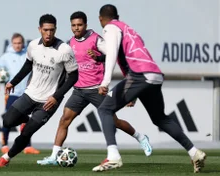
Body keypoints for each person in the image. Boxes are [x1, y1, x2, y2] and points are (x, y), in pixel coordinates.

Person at [92, 4, 206, 173]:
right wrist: (134, 92)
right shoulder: (130, 29)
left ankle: (113, 155)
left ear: (101, 18)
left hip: (140, 75)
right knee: (160, 118)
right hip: (154, 75)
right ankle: (194, 152)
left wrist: (105, 81)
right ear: (118, 15)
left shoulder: (110, 28)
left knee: (105, 109)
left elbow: (112, 55)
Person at [37, 11, 152, 166]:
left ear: (85, 25)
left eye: (79, 25)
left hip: (96, 89)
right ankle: (54, 156)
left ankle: (140, 137)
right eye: (73, 25)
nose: (76, 28)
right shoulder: (70, 43)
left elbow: (114, 54)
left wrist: (98, 57)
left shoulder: (96, 39)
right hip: (79, 90)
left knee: (114, 121)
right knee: (64, 120)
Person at [0, 14, 79, 167]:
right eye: (45, 30)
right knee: (7, 121)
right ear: (39, 29)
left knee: (26, 133)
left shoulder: (65, 50)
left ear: (56, 29)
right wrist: (13, 82)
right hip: (30, 94)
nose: (48, 33)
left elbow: (73, 77)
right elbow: (27, 66)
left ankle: (6, 158)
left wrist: (57, 96)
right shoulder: (33, 46)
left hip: (49, 101)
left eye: (52, 30)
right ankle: (29, 120)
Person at [0, 33, 40, 154]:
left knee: (27, 120)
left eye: (19, 43)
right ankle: (4, 144)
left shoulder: (27, 55)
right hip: (12, 93)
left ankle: (27, 146)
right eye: (15, 43)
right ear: (12, 44)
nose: (17, 45)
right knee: (8, 118)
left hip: (26, 93)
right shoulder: (6, 57)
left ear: (23, 44)